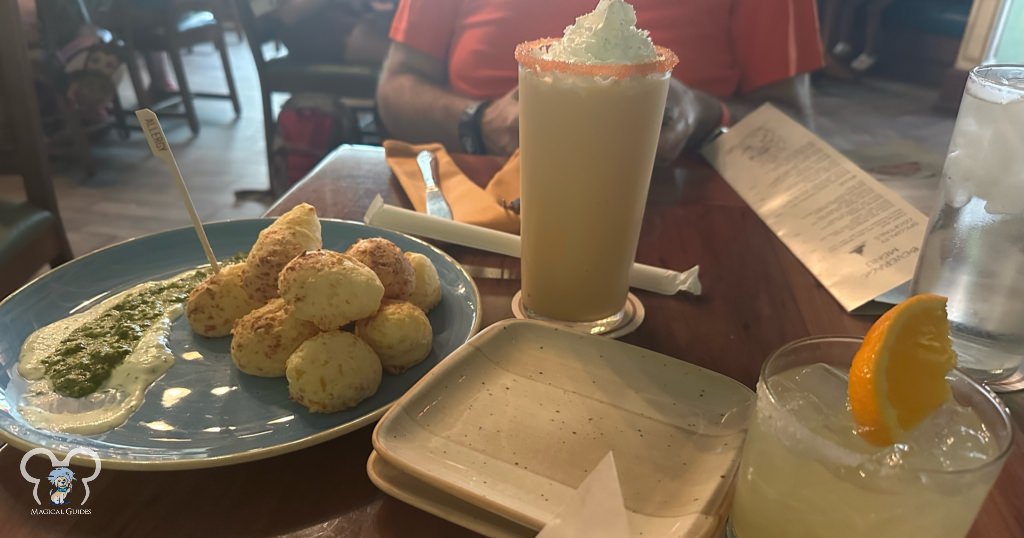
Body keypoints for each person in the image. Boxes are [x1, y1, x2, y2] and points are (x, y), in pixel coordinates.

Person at [376, 0, 824, 161]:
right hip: (476, 201)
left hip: (677, 200)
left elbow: (791, 125)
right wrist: (481, 120)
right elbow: (396, 87)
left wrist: (702, 114)